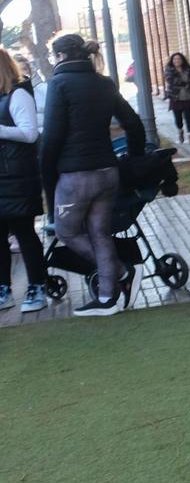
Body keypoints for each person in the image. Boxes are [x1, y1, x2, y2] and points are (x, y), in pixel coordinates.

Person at [39, 34, 145, 316]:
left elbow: (51, 138)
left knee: (67, 231)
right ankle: (108, 296)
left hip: (75, 176)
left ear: (60, 56)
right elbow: (133, 124)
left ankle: (122, 273)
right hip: (107, 171)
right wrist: (133, 160)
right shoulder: (104, 83)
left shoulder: (59, 84)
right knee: (99, 232)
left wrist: (46, 177)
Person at [0, 50, 51, 314]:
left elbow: (30, 133)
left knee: (25, 233)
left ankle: (37, 286)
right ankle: (3, 288)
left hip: (17, 177)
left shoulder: (18, 95)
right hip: (4, 176)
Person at [163, 52, 190, 144]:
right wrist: (185, 84)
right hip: (175, 98)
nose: (177, 61)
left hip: (187, 97)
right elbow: (171, 81)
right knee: (178, 119)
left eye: (179, 59)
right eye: (175, 59)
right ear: (172, 61)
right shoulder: (169, 70)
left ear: (182, 60)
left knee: (188, 117)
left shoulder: (188, 69)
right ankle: (180, 131)